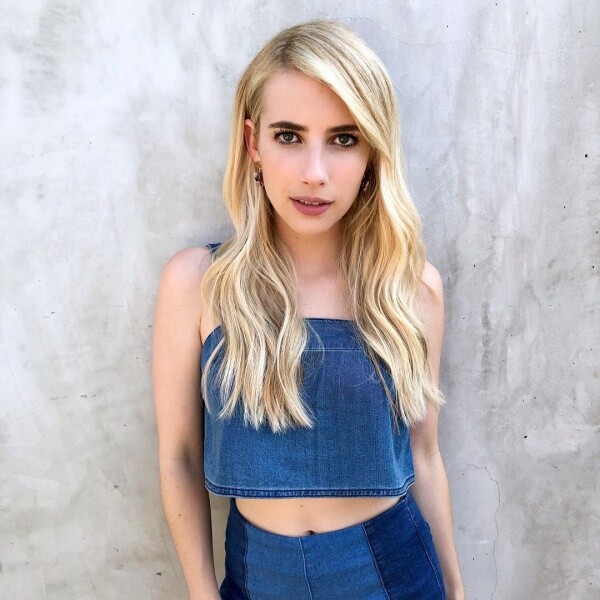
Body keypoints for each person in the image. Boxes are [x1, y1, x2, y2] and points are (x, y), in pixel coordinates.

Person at [152, 18, 465, 600]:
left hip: (393, 576)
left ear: (372, 152)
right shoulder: (197, 284)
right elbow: (179, 457)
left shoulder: (410, 289)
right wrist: (201, 592)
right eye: (289, 136)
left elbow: (424, 456)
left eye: (344, 139)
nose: (314, 173)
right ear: (253, 144)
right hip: (257, 577)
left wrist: (457, 590)